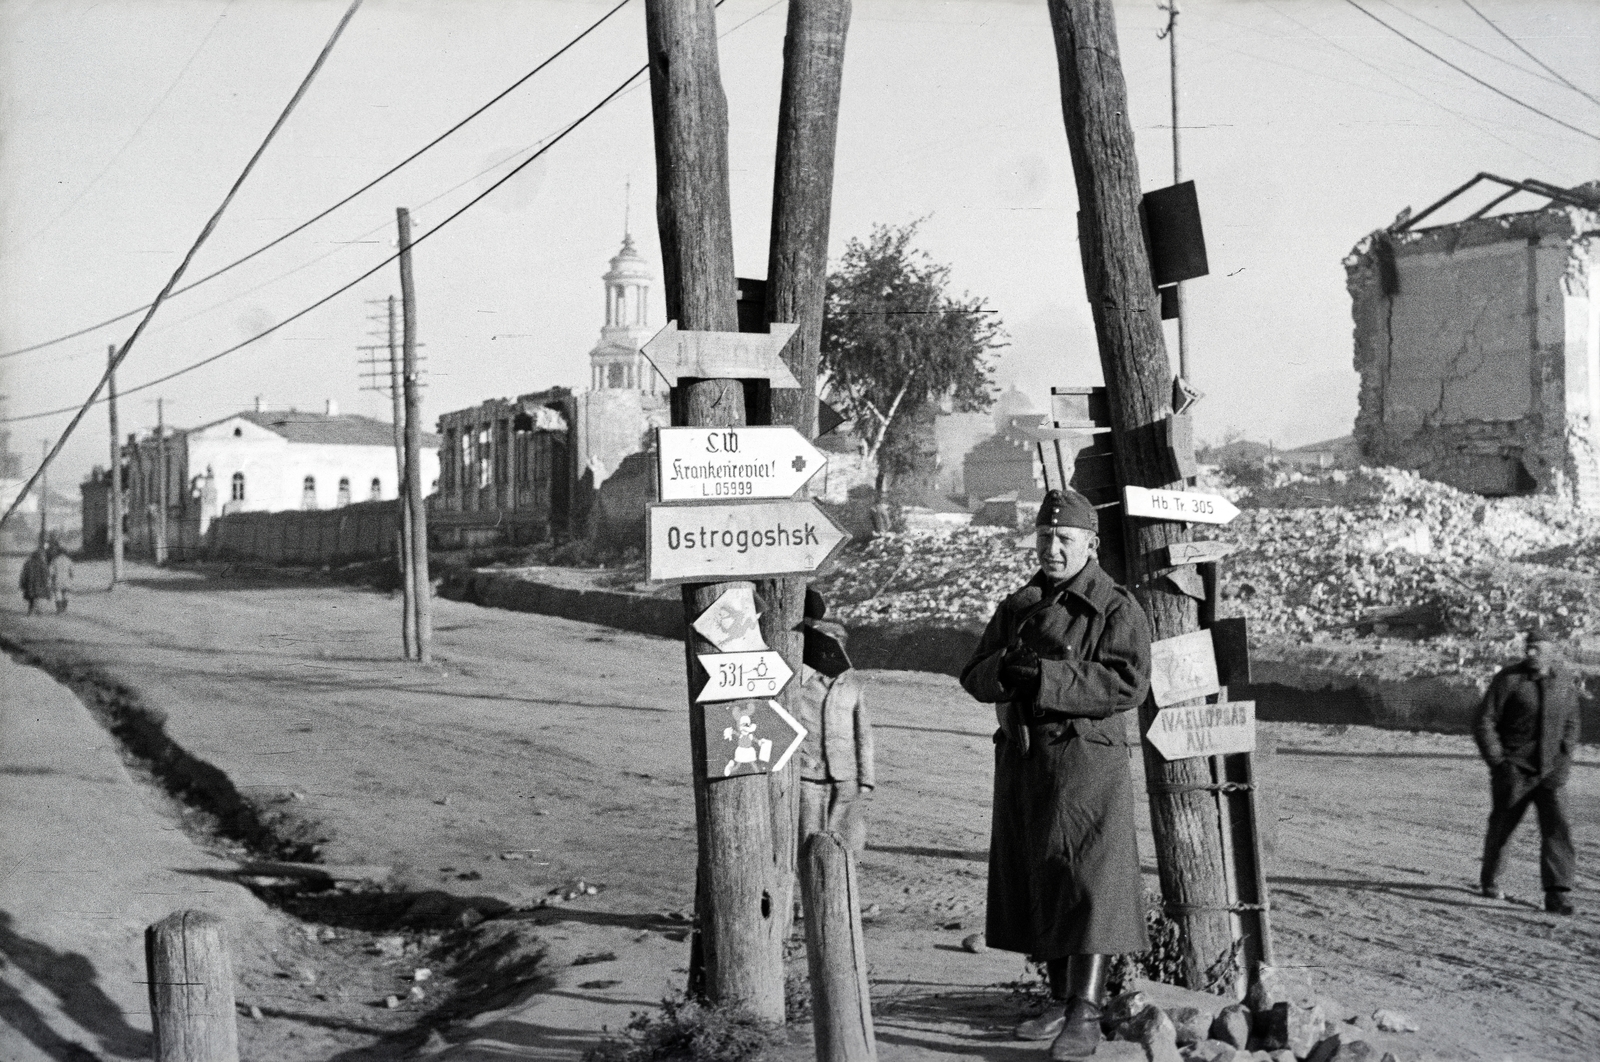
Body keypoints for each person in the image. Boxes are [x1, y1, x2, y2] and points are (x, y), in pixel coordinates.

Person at [960, 488, 1152, 1061]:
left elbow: (1127, 684)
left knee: (1090, 881)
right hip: (1027, 760)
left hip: (1086, 762)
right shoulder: (1019, 606)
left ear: (1090, 544)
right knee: (1040, 875)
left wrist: (1043, 677)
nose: (1053, 547)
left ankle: (1086, 1012)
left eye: (1065, 539)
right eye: (1045, 537)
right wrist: (1004, 670)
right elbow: (973, 673)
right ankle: (1058, 995)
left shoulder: (1116, 608)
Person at [1475, 627, 1580, 915]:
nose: (1530, 652)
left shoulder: (1564, 681)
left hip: (1551, 773)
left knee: (1558, 831)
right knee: (1503, 828)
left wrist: (1564, 762)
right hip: (1514, 771)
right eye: (1528, 647)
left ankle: (1557, 895)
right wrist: (1499, 762)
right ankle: (1491, 880)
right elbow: (1484, 722)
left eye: (1538, 648)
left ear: (1552, 651)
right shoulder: (1509, 680)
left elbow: (1571, 724)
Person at [796, 617, 875, 853]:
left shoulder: (854, 683)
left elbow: (863, 734)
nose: (833, 649)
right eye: (827, 643)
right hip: (807, 775)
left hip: (845, 778)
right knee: (808, 842)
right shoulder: (798, 680)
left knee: (846, 843)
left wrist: (866, 777)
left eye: (839, 643)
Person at [19, 546, 50, 614]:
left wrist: (22, 583)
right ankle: (38, 610)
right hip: (39, 583)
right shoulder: (42, 563)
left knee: (31, 597)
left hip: (30, 583)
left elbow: (24, 573)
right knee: (38, 597)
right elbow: (45, 573)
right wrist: (45, 582)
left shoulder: (28, 563)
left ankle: (30, 610)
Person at [47, 538, 74, 614]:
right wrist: (71, 577)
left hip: (57, 579)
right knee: (66, 594)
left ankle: (59, 609)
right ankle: (64, 609)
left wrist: (51, 578)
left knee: (58, 594)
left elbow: (51, 571)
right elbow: (72, 572)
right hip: (66, 580)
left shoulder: (54, 560)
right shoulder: (69, 560)